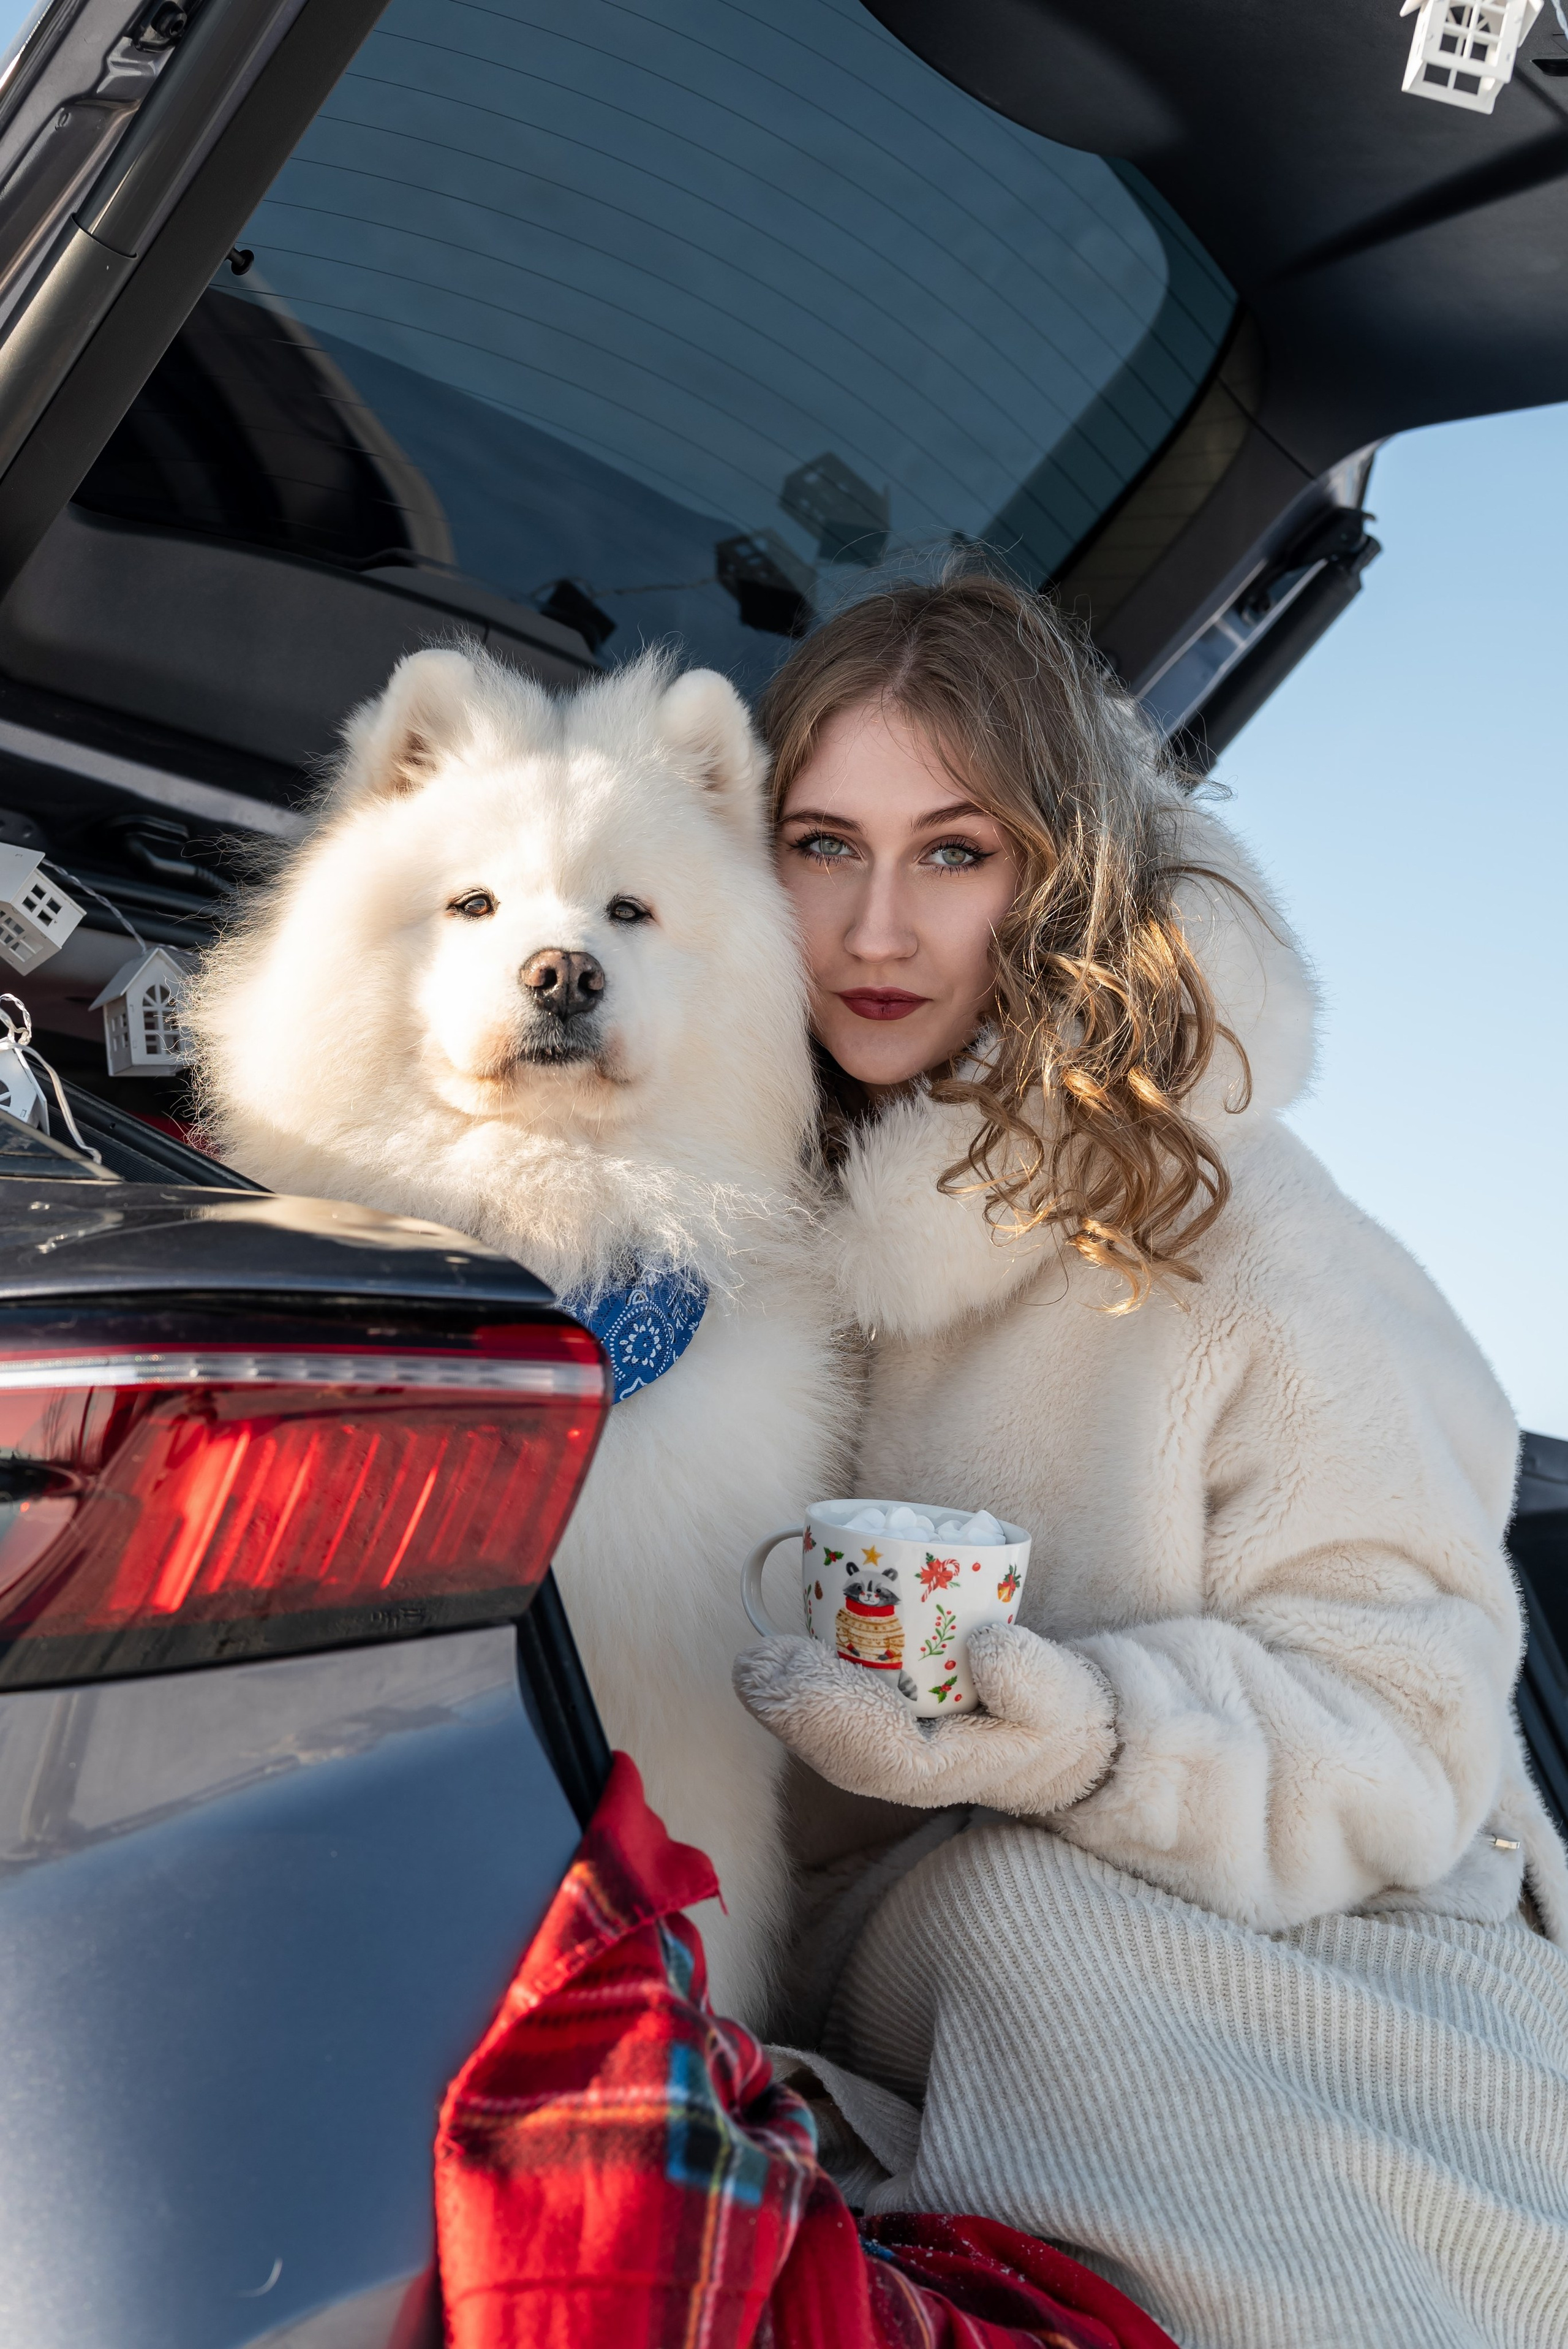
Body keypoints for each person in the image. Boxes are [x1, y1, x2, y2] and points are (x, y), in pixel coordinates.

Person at [732, 570, 1568, 2349]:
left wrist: (1092, 1735)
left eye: (955, 853)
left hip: (1306, 1946)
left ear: (1056, 880)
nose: (876, 926)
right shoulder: (704, 1219)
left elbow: (1411, 1718)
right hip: (857, 1972)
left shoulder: (1242, 1231)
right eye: (823, 844)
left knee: (1026, 1925)